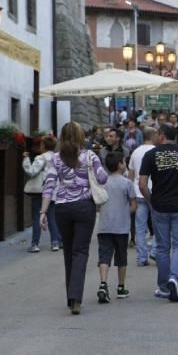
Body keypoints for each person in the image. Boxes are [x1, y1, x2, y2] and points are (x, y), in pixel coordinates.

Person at [40, 121, 108, 315]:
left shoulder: (55, 158)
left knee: (68, 251)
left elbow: (49, 185)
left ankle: (71, 297)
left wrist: (43, 212)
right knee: (80, 252)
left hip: (62, 208)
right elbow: (103, 179)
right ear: (80, 137)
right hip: (84, 207)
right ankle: (75, 298)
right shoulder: (90, 156)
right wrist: (97, 163)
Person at [139, 124, 178, 303]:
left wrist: (151, 201)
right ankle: (175, 277)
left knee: (163, 248)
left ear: (162, 135)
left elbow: (142, 184)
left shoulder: (151, 155)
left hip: (160, 206)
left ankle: (164, 286)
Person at [96, 152, 136, 304]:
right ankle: (121, 287)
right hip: (121, 226)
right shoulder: (127, 183)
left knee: (104, 256)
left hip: (104, 225)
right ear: (120, 164)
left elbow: (98, 203)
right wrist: (127, 211)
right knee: (121, 257)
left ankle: (103, 284)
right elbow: (133, 204)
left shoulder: (103, 183)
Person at [23, 136, 61, 252]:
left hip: (40, 191)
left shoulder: (41, 158)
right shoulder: (57, 158)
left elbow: (32, 171)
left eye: (41, 144)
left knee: (36, 217)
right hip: (53, 191)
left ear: (44, 146)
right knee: (52, 217)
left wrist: (26, 159)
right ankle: (55, 243)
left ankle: (35, 244)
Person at [128, 127, 157, 266]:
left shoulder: (135, 152)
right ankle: (155, 251)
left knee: (140, 227)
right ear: (153, 136)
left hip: (138, 192)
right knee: (158, 224)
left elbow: (131, 175)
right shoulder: (156, 151)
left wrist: (130, 193)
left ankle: (141, 257)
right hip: (154, 192)